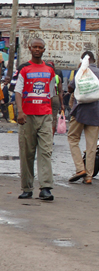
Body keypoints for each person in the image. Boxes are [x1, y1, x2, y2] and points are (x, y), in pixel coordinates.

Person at [15, 38, 56, 201]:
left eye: (40, 47)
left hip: (45, 115)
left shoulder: (50, 70)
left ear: (44, 49)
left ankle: (45, 188)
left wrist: (54, 116)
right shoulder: (24, 69)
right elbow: (18, 92)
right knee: (27, 153)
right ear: (30, 48)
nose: (37, 49)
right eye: (35, 47)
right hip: (27, 117)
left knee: (45, 151)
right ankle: (27, 188)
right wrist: (20, 111)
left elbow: (52, 94)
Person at [67, 51, 99, 186]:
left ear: (83, 60)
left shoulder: (82, 70)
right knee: (91, 146)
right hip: (96, 113)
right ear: (94, 60)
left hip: (80, 112)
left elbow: (71, 88)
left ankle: (80, 169)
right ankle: (88, 176)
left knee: (73, 138)